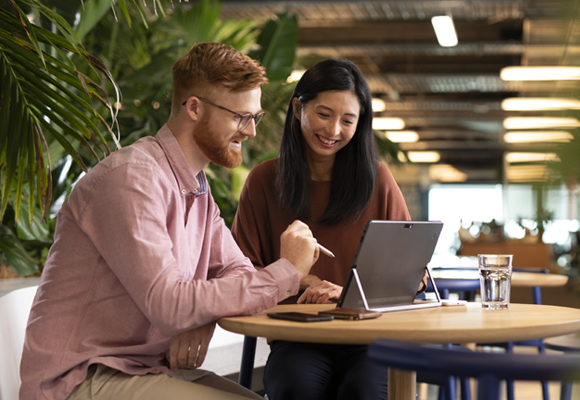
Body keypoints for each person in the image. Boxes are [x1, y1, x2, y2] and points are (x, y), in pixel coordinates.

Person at [19, 42, 319, 400]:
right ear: (194, 107)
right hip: (83, 378)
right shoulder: (132, 179)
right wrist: (288, 270)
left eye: (255, 117)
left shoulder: (197, 190)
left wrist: (202, 316)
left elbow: (237, 272)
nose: (251, 132)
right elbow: (170, 305)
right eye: (241, 117)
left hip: (146, 369)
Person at [232, 58, 419, 400]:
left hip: (370, 337)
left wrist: (345, 292)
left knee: (365, 392)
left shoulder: (378, 181)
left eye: (348, 120)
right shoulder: (263, 181)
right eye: (324, 114)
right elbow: (240, 273)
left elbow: (410, 274)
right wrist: (304, 279)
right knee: (296, 389)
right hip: (298, 337)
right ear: (298, 108)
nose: (334, 130)